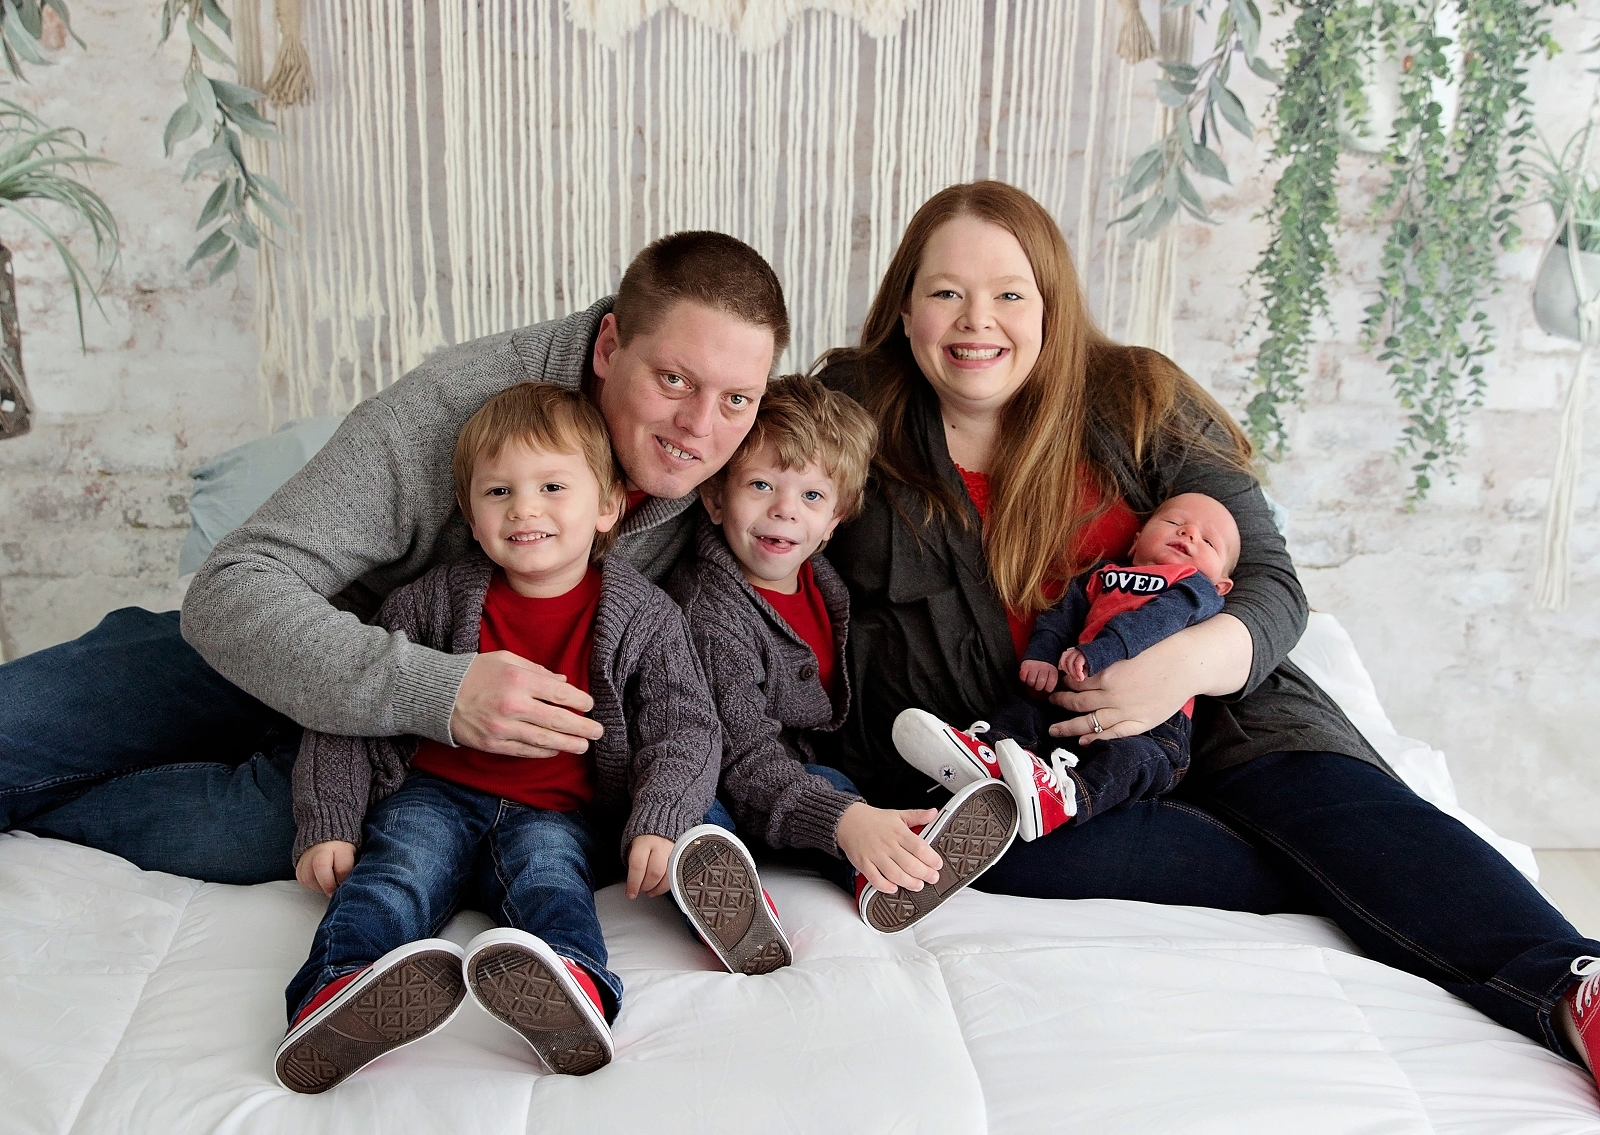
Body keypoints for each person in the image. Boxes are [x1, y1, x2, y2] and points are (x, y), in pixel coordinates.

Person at [815, 180, 1600, 1091]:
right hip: (1038, 759)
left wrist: (1177, 667)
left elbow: (1269, 577)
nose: (975, 319)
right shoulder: (850, 415)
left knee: (1339, 810)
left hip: (1227, 712)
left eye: (1009, 293)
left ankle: (1575, 985)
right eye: (946, 290)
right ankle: (1338, 872)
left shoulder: (1136, 394)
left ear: (1052, 305)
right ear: (904, 307)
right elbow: (727, 483)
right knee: (980, 844)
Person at [0, 231, 782, 884]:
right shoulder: (453, 405)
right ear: (610, 345)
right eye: (673, 379)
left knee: (260, 834)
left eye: (736, 399)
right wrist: (435, 687)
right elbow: (231, 591)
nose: (698, 428)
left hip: (397, 759)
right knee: (18, 729)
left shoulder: (734, 481)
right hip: (292, 642)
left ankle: (35, 818)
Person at [276, 382, 722, 1093]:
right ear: (472, 517)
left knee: (551, 883)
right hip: (434, 794)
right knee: (394, 876)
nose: (525, 509)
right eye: (498, 492)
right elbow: (347, 709)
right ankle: (336, 994)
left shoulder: (644, 614)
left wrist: (661, 819)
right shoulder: (428, 601)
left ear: (607, 505)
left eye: (552, 485)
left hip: (556, 814)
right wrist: (327, 820)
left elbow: (686, 725)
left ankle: (574, 990)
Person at [667, 375, 1017, 948]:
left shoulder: (823, 584)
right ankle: (731, 907)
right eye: (760, 485)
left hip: (788, 773)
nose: (784, 511)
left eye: (811, 496)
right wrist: (842, 818)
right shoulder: (711, 611)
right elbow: (739, 755)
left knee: (846, 794)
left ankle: (891, 875)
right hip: (716, 771)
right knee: (700, 825)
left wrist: (857, 818)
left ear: (834, 522)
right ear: (713, 497)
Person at [894, 492, 1239, 841]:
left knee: (1134, 760)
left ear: (1221, 585)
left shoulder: (1196, 587)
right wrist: (1042, 656)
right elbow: (1061, 616)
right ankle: (989, 757)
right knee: (1023, 710)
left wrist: (1105, 649)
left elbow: (1161, 619)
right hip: (1071, 692)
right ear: (1135, 544)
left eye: (1208, 541)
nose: (1189, 534)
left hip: (1154, 724)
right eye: (1174, 523)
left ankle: (1065, 798)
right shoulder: (1102, 575)